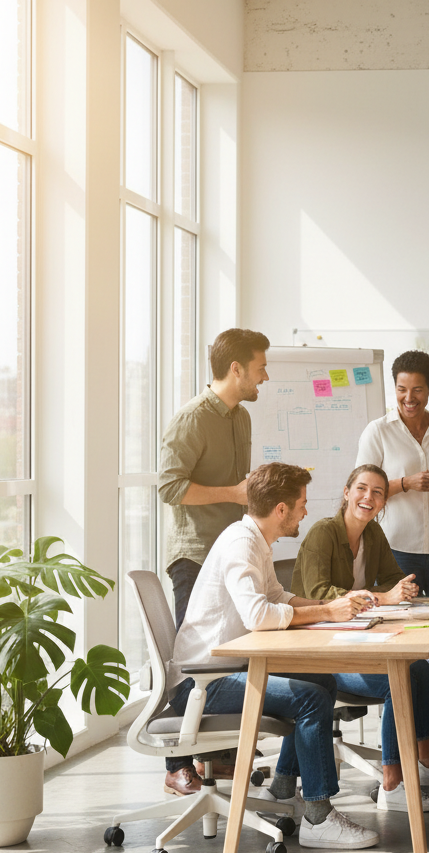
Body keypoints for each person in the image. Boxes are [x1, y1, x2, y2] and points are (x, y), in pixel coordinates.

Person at [169, 462, 379, 850]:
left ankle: (283, 787)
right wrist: (325, 613)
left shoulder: (254, 540)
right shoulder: (240, 544)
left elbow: (277, 597)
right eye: (300, 504)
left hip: (223, 671)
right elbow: (258, 615)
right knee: (310, 697)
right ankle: (318, 817)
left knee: (320, 680)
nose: (304, 511)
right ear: (280, 509)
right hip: (203, 683)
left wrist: (329, 605)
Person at [292, 464, 429, 811]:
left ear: (383, 502)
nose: (369, 497)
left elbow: (396, 578)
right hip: (320, 654)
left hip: (355, 640)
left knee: (420, 669)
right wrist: (384, 596)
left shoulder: (373, 535)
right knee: (401, 677)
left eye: (378, 492)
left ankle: (428, 761)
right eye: (362, 489)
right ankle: (392, 782)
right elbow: (321, 594)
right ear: (347, 492)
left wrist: (401, 588)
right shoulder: (323, 533)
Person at [157, 327, 270, 795]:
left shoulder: (240, 418)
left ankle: (220, 755)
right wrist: (235, 493)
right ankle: (176, 763)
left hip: (230, 551)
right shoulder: (191, 418)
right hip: (196, 555)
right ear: (236, 368)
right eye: (260, 367)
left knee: (230, 655)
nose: (265, 375)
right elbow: (168, 487)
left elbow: (239, 489)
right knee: (195, 659)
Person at [356, 350, 429, 747]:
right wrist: (404, 483)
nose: (409, 398)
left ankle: (423, 726)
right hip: (396, 550)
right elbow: (363, 490)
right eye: (402, 389)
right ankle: (409, 733)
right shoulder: (378, 431)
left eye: (417, 390)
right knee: (405, 645)